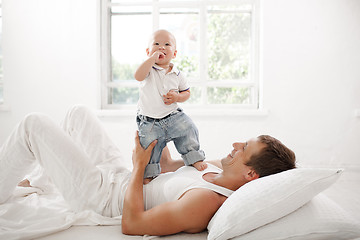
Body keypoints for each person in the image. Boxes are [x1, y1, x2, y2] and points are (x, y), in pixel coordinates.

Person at [0, 105, 296, 236]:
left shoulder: (206, 200)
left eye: (244, 148)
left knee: (33, 124)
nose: (235, 144)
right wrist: (159, 127)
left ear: (251, 175)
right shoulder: (216, 168)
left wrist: (140, 165)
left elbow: (132, 223)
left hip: (104, 197)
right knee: (78, 114)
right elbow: (167, 167)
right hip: (121, 175)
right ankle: (39, 182)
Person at [134, 29, 207, 181]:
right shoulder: (149, 70)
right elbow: (138, 75)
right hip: (150, 121)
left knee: (189, 128)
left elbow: (187, 93)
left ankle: (193, 156)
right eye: (156, 44)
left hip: (173, 117)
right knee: (148, 146)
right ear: (148, 51)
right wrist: (151, 60)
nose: (161, 47)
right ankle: (149, 173)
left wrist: (177, 97)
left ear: (174, 53)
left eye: (167, 44)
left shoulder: (178, 74)